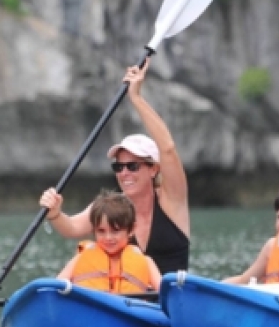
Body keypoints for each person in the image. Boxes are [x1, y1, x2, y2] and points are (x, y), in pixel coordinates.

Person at [40, 59, 190, 275]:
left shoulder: (171, 200)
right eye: (118, 167)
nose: (124, 173)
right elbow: (71, 227)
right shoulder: (111, 208)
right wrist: (54, 213)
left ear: (153, 169)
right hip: (128, 304)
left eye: (132, 166)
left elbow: (167, 148)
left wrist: (136, 98)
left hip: (174, 304)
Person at [57, 190, 161, 293]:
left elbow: (166, 293)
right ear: (94, 230)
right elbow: (55, 287)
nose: (108, 237)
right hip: (89, 307)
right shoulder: (81, 257)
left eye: (115, 231)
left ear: (131, 229)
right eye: (101, 231)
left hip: (127, 308)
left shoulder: (146, 262)